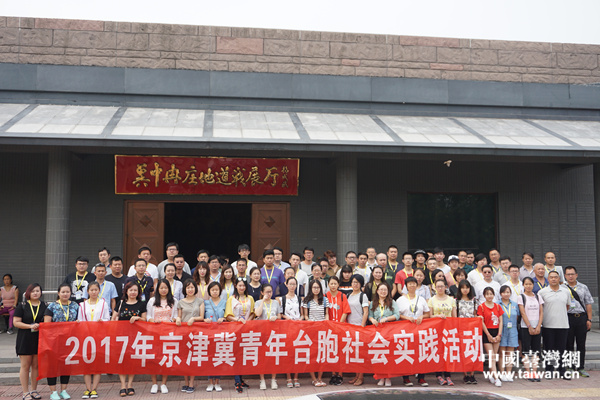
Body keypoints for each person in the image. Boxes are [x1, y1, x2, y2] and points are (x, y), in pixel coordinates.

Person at [111, 281, 147, 396]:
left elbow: (145, 319)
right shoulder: (121, 303)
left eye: (135, 290)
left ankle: (130, 384)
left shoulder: (141, 304)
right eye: (130, 290)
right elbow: (113, 318)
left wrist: (137, 318)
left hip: (135, 336)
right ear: (126, 291)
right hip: (121, 336)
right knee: (121, 360)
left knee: (132, 360)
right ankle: (123, 385)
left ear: (138, 292)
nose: (133, 292)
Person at [44, 283, 79, 400]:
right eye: (63, 292)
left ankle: (64, 390)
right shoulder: (52, 306)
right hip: (54, 341)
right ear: (58, 293)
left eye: (67, 292)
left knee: (66, 366)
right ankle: (53, 391)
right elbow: (47, 324)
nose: (65, 294)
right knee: (52, 366)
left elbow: (80, 321)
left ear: (71, 293)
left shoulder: (75, 306)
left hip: (69, 341)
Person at [13, 283, 47, 400]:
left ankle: (34, 390)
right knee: (25, 366)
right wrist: (30, 326)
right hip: (25, 339)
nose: (35, 293)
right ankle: (25, 392)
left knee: (36, 366)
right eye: (33, 291)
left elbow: (48, 321)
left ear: (41, 292)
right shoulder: (22, 306)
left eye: (37, 291)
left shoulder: (45, 305)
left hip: (39, 339)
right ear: (28, 293)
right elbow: (16, 322)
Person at [77, 282, 110, 399]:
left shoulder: (103, 304)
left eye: (96, 290)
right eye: (91, 290)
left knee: (97, 363)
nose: (94, 292)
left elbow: (107, 319)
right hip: (86, 336)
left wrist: (102, 321)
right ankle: (88, 389)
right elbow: (80, 320)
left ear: (99, 291)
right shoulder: (82, 305)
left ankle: (94, 389)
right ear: (88, 291)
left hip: (99, 336)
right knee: (86, 363)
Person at [146, 279, 178, 394]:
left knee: (166, 357)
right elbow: (148, 316)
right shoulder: (152, 301)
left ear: (169, 289)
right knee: (154, 358)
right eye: (161, 288)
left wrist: (171, 321)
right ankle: (154, 383)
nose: (163, 290)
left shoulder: (174, 301)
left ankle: (164, 383)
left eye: (165, 288)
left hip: (168, 333)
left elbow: (175, 316)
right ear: (157, 289)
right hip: (154, 333)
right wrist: (153, 321)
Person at [398, 277, 430, 387]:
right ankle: (406, 378)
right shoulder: (400, 300)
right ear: (406, 286)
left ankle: (421, 378)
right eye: (409, 284)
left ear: (417, 285)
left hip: (419, 330)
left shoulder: (421, 299)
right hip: (405, 330)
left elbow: (427, 314)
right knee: (406, 353)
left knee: (420, 353)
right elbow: (397, 315)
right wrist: (406, 318)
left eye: (414, 283)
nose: (412, 285)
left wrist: (422, 316)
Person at [539, 270, 570, 379]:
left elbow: (567, 306)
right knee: (549, 349)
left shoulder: (565, 291)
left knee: (562, 349)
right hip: (548, 325)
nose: (553, 279)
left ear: (559, 279)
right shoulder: (542, 292)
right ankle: (550, 370)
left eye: (555, 277)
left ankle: (562, 370)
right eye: (551, 277)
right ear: (548, 279)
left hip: (563, 325)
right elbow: (540, 309)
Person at [225, 278, 255, 392]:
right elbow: (228, 315)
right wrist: (237, 320)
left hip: (246, 330)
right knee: (236, 355)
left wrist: (247, 322)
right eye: (240, 285)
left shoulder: (250, 298)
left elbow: (252, 313)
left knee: (243, 355)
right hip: (235, 330)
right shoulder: (231, 299)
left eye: (243, 286)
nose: (242, 288)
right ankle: (237, 381)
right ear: (236, 286)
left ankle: (241, 379)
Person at [563, 265, 594, 378]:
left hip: (581, 317)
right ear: (565, 276)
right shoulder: (562, 287)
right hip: (568, 318)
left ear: (576, 275)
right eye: (568, 274)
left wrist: (589, 319)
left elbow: (588, 303)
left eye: (572, 274)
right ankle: (570, 367)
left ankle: (581, 367)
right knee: (568, 344)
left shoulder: (583, 287)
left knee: (581, 344)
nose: (570, 276)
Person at [176, 279, 205, 394]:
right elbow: (179, 316)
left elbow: (202, 317)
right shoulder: (180, 302)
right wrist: (178, 319)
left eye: (192, 287)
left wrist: (193, 318)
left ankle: (192, 383)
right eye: (188, 287)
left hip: (196, 332)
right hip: (184, 333)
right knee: (184, 358)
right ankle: (186, 382)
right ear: (185, 289)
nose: (190, 289)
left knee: (192, 357)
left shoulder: (200, 301)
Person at [368, 282, 399, 386]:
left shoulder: (392, 302)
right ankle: (381, 377)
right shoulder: (373, 303)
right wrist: (372, 320)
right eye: (381, 289)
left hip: (389, 331)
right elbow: (370, 315)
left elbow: (397, 315)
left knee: (388, 355)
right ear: (377, 291)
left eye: (385, 290)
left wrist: (387, 319)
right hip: (377, 333)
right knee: (379, 354)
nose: (383, 292)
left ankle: (388, 377)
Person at [428, 278, 456, 386]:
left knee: (447, 352)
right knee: (438, 352)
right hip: (436, 329)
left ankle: (448, 375)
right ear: (435, 288)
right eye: (438, 286)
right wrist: (438, 316)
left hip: (448, 329)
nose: (440, 288)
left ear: (445, 287)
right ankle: (439, 375)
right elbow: (430, 316)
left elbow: (454, 316)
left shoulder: (451, 300)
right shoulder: (432, 300)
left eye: (442, 286)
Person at [255, 284, 282, 390]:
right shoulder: (258, 302)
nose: (269, 294)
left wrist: (276, 318)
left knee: (273, 356)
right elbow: (257, 314)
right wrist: (263, 300)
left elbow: (279, 315)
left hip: (274, 333)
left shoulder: (275, 302)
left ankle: (273, 379)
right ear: (262, 292)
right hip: (262, 333)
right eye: (266, 292)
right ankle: (262, 379)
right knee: (262, 357)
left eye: (270, 291)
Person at [303, 279, 329, 387]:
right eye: (314, 287)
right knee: (312, 354)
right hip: (311, 330)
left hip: (322, 329)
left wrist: (326, 321)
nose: (316, 289)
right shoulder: (307, 300)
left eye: (318, 287)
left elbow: (326, 313)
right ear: (310, 288)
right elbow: (305, 316)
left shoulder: (325, 300)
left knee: (322, 354)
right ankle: (313, 379)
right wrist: (310, 321)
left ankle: (320, 378)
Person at [517, 277, 543, 382]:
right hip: (525, 327)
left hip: (537, 327)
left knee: (536, 350)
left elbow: (541, 312)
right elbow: (523, 313)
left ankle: (535, 372)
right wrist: (529, 326)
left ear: (533, 285)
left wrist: (538, 326)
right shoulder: (521, 297)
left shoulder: (538, 296)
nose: (528, 286)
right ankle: (528, 372)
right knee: (526, 350)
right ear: (523, 285)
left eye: (530, 284)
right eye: (526, 284)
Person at [326, 276, 350, 385]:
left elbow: (345, 311)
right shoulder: (326, 296)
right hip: (330, 328)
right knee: (331, 350)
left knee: (340, 351)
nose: (333, 286)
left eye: (335, 283)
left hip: (341, 328)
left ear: (338, 285)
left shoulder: (342, 296)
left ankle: (340, 374)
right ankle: (333, 374)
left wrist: (339, 325)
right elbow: (326, 311)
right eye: (331, 283)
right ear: (328, 284)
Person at [279, 276, 303, 388]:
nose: (292, 286)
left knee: (297, 353)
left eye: (294, 284)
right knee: (288, 353)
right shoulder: (282, 299)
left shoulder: (299, 299)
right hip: (287, 328)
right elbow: (280, 313)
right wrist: (287, 318)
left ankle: (296, 377)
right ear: (286, 285)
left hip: (298, 328)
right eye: (290, 284)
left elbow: (302, 314)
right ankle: (288, 377)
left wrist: (300, 319)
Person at [477, 287, 503, 387]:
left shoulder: (497, 306)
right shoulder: (481, 307)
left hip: (496, 331)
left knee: (494, 356)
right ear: (484, 295)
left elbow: (501, 321)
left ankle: (491, 375)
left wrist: (499, 334)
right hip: (486, 332)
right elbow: (481, 322)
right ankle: (496, 378)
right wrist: (488, 335)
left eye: (491, 294)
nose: (489, 296)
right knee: (491, 356)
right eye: (487, 294)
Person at [345, 275, 368, 386]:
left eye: (358, 282)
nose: (355, 284)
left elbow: (366, 312)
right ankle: (356, 375)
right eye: (354, 282)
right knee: (354, 353)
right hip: (350, 327)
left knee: (360, 353)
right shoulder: (348, 295)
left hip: (359, 327)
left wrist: (362, 326)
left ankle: (361, 377)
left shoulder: (363, 296)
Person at [203, 282, 226, 392]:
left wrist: (224, 319)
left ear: (220, 291)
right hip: (209, 334)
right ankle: (210, 382)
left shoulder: (225, 302)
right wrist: (205, 320)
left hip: (221, 334)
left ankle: (217, 382)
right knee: (209, 358)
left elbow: (228, 316)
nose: (215, 292)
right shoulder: (205, 303)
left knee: (219, 357)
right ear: (209, 291)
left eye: (217, 289)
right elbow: (201, 316)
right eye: (212, 290)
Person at [455, 279, 477, 384]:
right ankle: (465, 375)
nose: (465, 290)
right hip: (461, 329)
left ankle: (472, 374)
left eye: (467, 287)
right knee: (463, 351)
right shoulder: (456, 301)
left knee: (473, 351)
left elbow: (475, 314)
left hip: (472, 329)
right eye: (462, 288)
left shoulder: (474, 300)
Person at [497, 285, 519, 381]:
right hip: (501, 329)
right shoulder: (497, 304)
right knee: (502, 353)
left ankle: (508, 373)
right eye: (504, 292)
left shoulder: (514, 304)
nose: (506, 294)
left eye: (508, 292)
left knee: (510, 353)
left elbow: (517, 316)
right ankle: (502, 373)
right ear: (500, 294)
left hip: (512, 330)